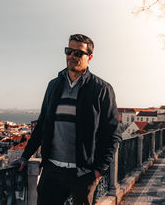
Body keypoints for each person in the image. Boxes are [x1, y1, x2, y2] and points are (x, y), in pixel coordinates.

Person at [18, 34, 122, 205]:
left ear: (90, 57)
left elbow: (112, 133)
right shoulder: (54, 85)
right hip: (52, 170)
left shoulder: (102, 89)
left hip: (84, 174)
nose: (71, 56)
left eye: (78, 53)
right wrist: (25, 156)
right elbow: (42, 123)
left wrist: (100, 169)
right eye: (68, 51)